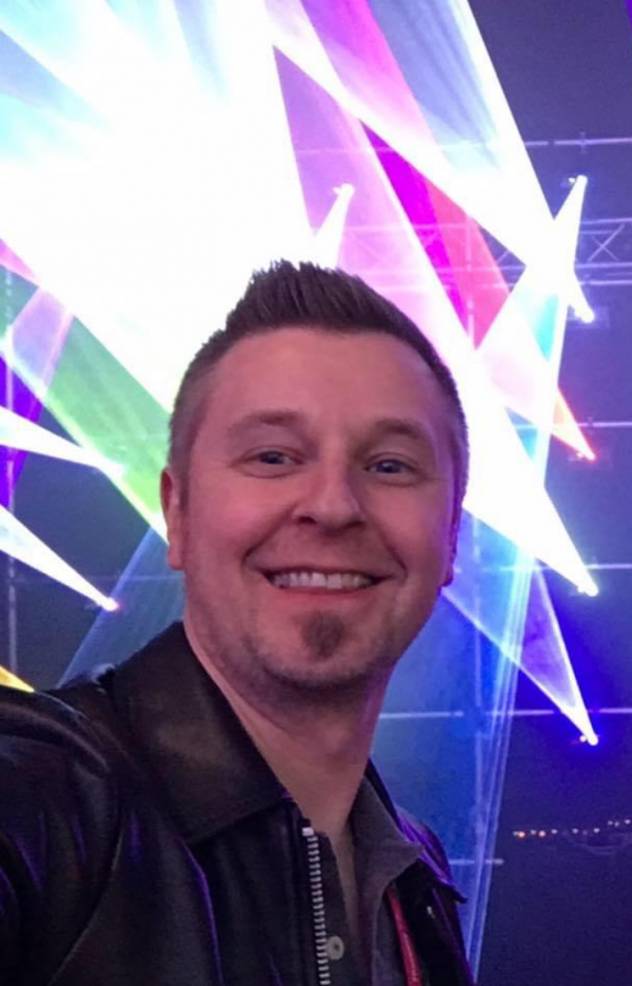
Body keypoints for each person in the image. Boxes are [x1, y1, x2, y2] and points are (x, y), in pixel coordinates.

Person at [0, 261, 475, 985]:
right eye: (273, 457)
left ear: (452, 539)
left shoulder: (417, 883)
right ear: (178, 512)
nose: (333, 505)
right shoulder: (48, 800)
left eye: (389, 466)